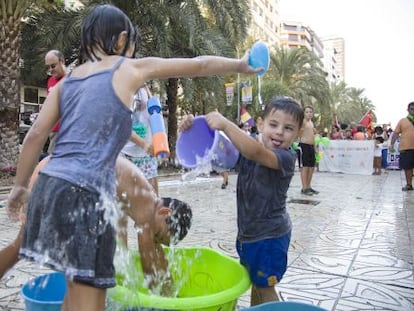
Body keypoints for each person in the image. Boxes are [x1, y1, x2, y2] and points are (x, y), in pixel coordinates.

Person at [6, 4, 261, 311]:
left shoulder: (66, 83)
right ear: (123, 39)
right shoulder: (129, 69)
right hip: (86, 195)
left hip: (50, 186)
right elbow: (199, 65)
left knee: (74, 289)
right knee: (89, 301)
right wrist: (240, 64)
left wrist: (20, 187)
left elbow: (35, 135)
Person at [1, 156, 193, 297]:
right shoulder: (146, 205)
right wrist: (169, 299)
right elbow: (149, 264)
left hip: (55, 169)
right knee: (24, 246)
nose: (153, 238)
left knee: (22, 246)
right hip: (57, 177)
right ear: (165, 212)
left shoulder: (137, 196)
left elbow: (124, 242)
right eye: (157, 233)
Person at [179, 96, 304, 306]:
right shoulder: (248, 148)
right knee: (258, 283)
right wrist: (191, 128)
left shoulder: (285, 158)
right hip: (249, 236)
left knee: (266, 289)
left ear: (297, 134)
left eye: (288, 128)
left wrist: (226, 124)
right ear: (261, 124)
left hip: (270, 238)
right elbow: (222, 155)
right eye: (273, 124)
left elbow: (255, 152)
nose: (280, 131)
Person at [121, 85, 160, 195]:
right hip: (125, 153)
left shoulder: (144, 89)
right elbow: (122, 126)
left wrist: (158, 141)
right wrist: (144, 145)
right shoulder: (122, 89)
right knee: (127, 199)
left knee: (154, 199)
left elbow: (155, 115)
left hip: (146, 153)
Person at [44, 50, 67, 154]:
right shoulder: (50, 81)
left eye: (53, 66)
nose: (50, 70)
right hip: (54, 130)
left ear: (62, 61)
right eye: (48, 67)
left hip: (68, 130)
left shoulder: (73, 78)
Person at [389, 102, 414, 191]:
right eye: (412, 109)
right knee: (408, 168)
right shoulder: (402, 121)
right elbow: (395, 133)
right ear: (408, 110)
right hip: (406, 148)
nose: (413, 111)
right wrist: (391, 144)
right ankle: (409, 185)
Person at [297, 106, 318, 196]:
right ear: (304, 113)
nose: (309, 113)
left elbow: (312, 135)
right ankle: (304, 188)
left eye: (310, 112)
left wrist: (315, 147)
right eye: (307, 112)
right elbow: (298, 133)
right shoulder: (303, 122)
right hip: (303, 146)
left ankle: (308, 186)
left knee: (311, 167)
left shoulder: (311, 123)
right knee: (305, 167)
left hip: (311, 147)